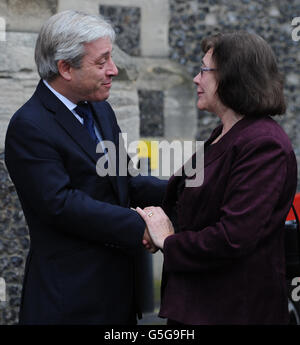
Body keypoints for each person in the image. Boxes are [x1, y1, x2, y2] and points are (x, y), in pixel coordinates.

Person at [5, 10, 166, 325]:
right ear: (65, 67)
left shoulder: (102, 110)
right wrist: (141, 227)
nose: (113, 70)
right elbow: (60, 204)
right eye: (101, 61)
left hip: (118, 296)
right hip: (69, 302)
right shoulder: (29, 126)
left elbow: (123, 180)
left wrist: (183, 187)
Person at [137, 31, 298, 324]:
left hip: (233, 310)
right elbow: (196, 203)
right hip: (201, 305)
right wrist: (162, 226)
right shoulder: (225, 133)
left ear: (233, 76)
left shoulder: (264, 144)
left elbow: (233, 237)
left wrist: (169, 241)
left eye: (204, 70)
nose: (196, 79)